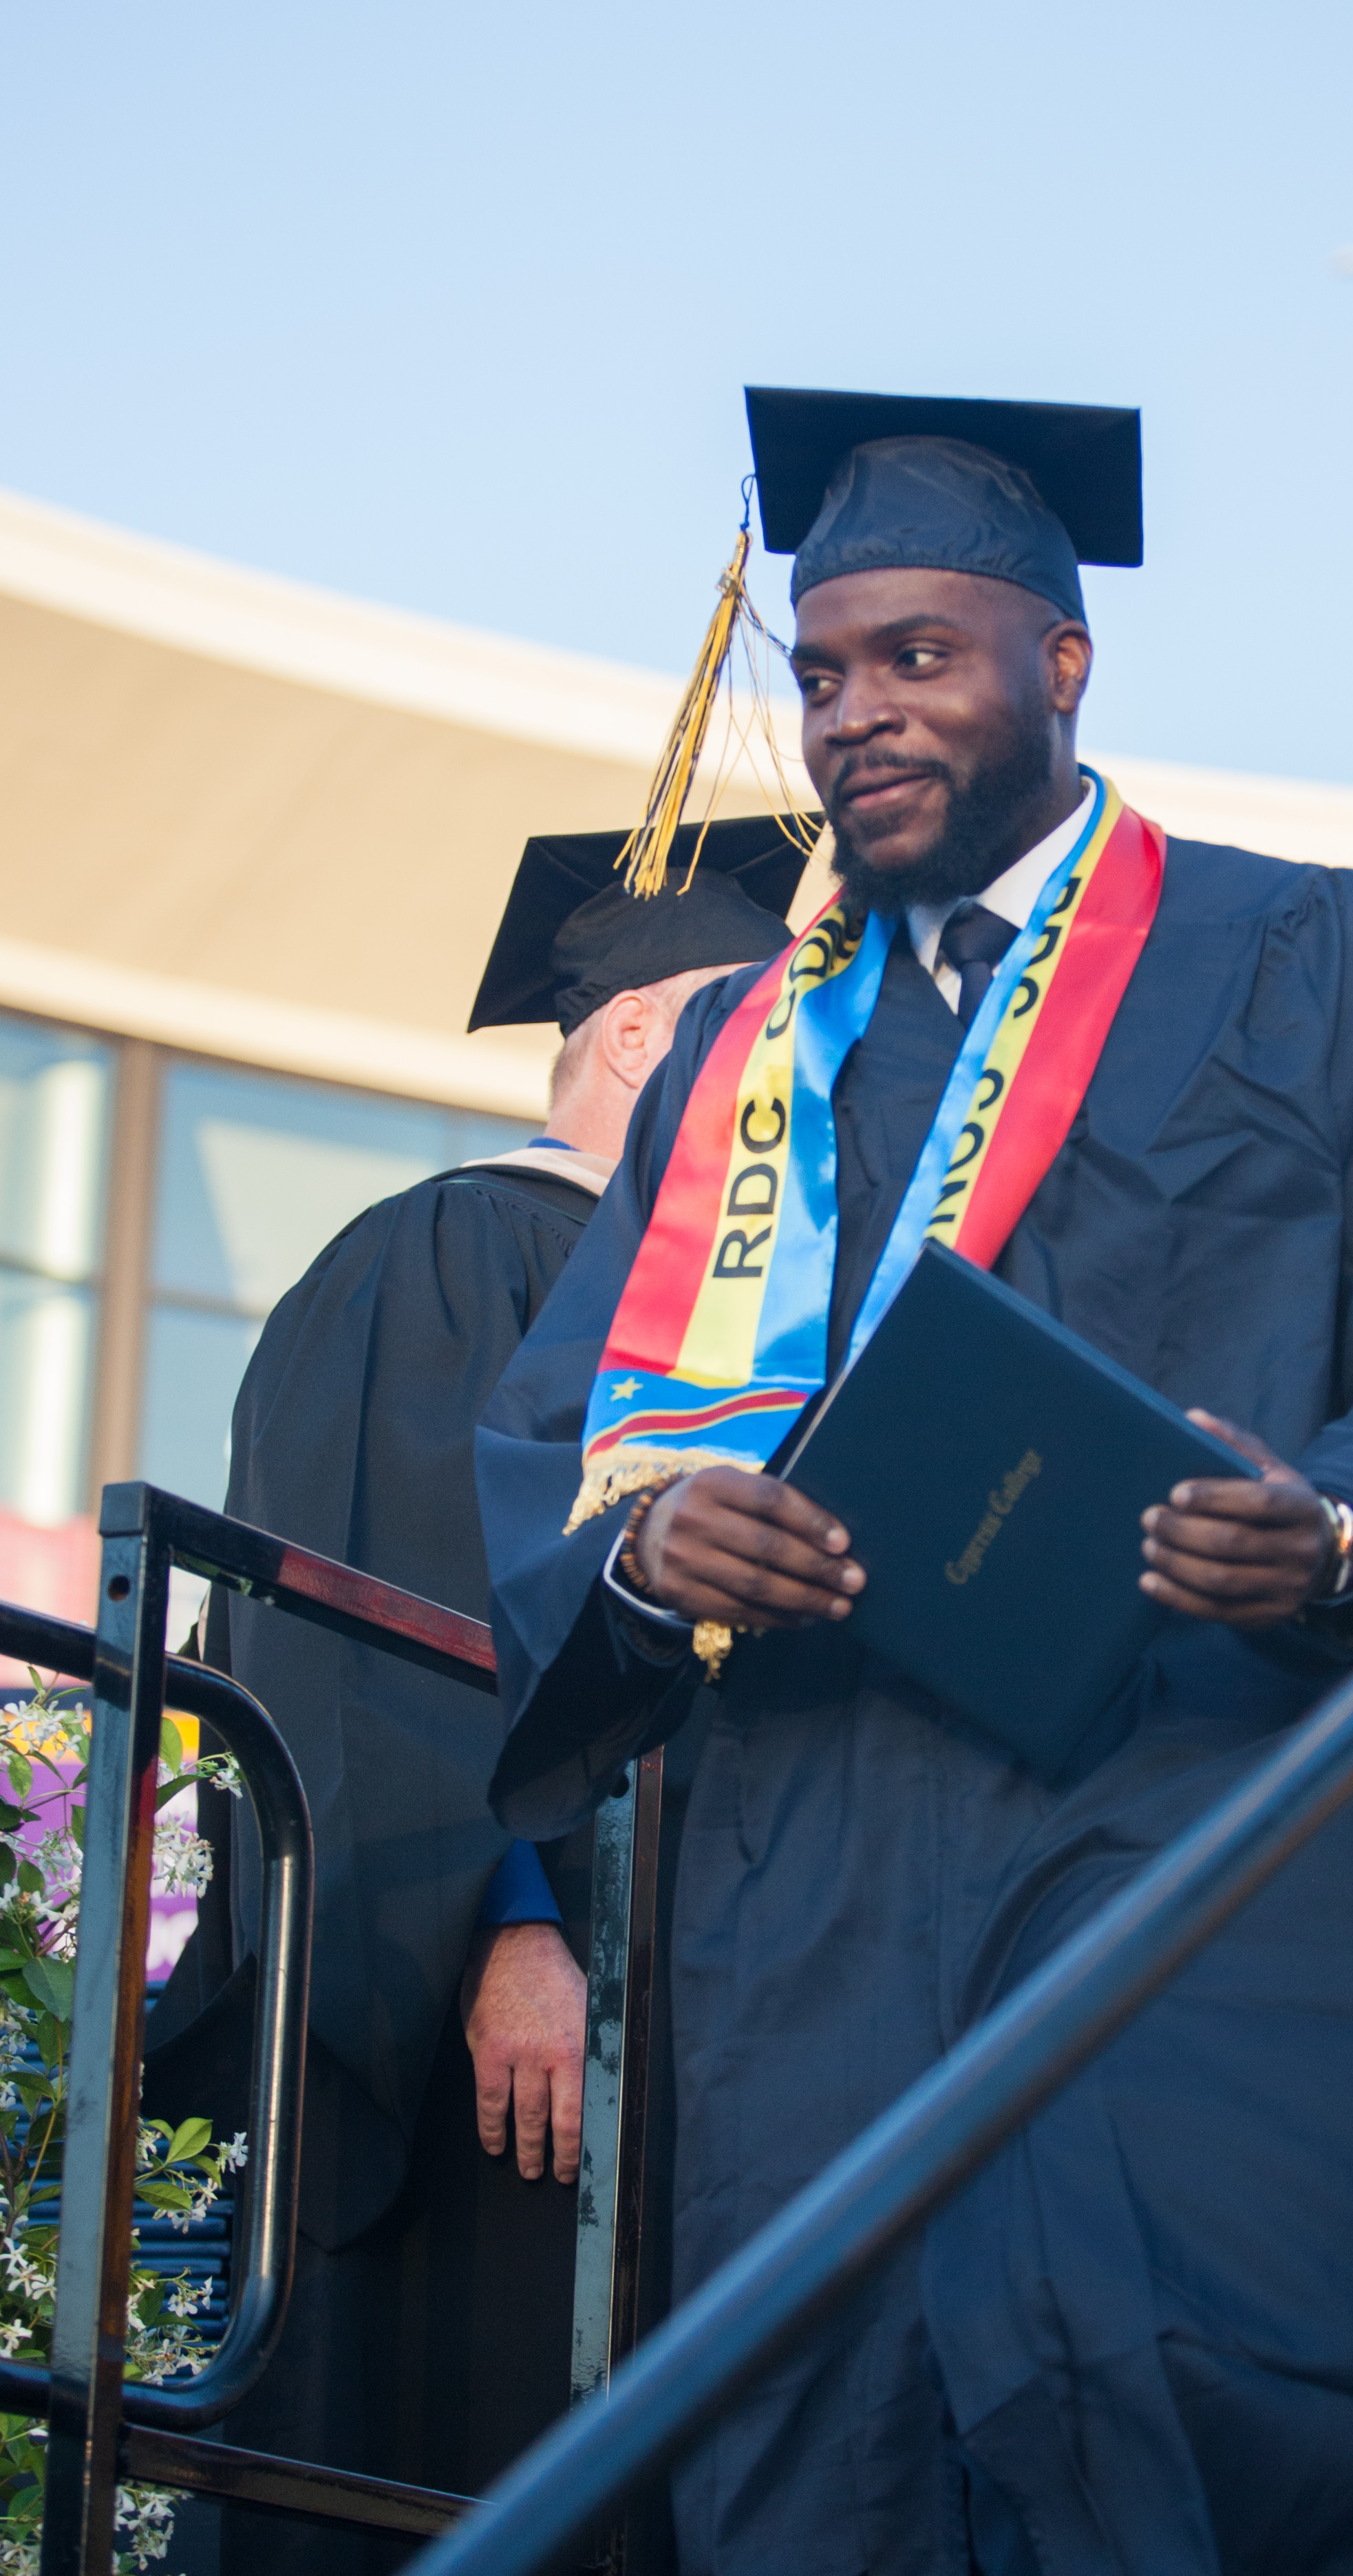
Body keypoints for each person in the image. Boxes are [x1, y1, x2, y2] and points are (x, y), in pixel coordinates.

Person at [474, 389, 1353, 2576]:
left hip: (1210, 1865)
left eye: (918, 655)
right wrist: (647, 1548)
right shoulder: (744, 1062)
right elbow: (564, 1439)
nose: (852, 716)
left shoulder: (1322, 955)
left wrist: (1341, 1528)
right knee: (828, 2461)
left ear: (1063, 667)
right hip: (820, 1903)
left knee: (1197, 2441)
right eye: (822, 672)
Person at [145, 814, 804, 2572]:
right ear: (647, 1034)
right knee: (445, 2461)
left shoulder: (708, 1343)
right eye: (769, 1036)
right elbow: (366, 1625)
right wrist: (505, 1927)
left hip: (664, 2046)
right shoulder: (447, 1254)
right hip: (486, 2041)